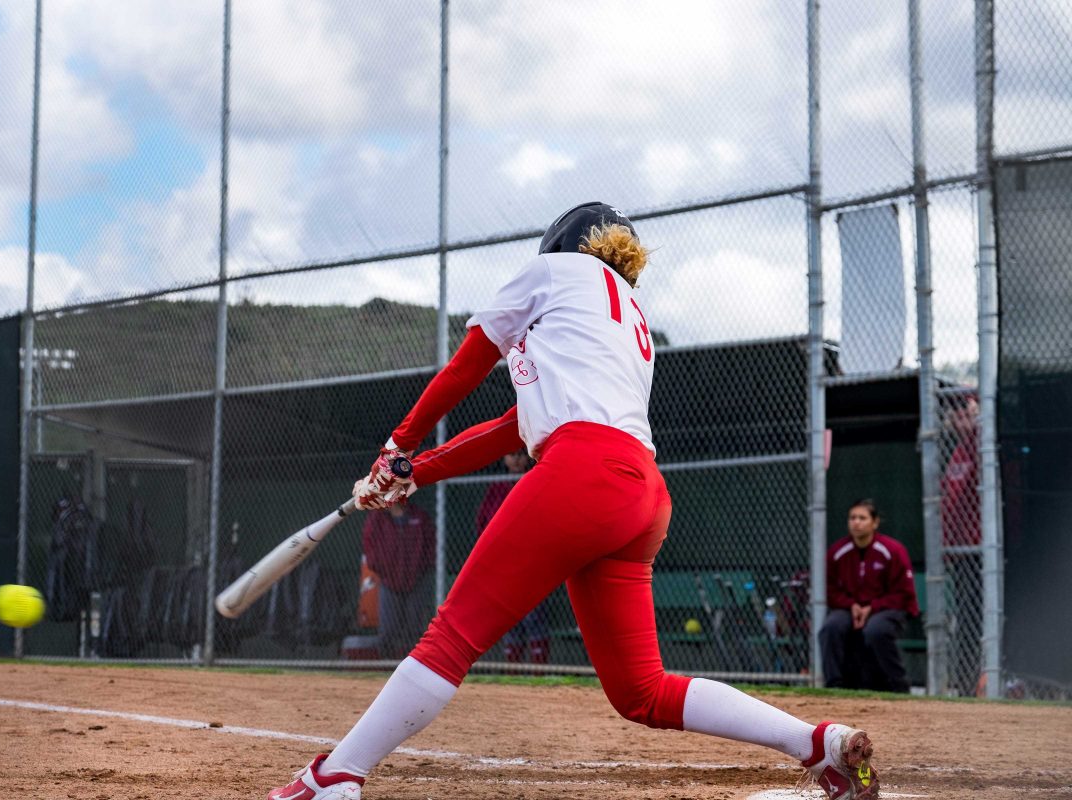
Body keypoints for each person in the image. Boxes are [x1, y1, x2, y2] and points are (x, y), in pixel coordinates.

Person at [268, 202, 879, 800]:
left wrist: (396, 445)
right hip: (641, 494)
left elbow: (464, 368)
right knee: (642, 690)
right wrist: (411, 473)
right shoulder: (630, 320)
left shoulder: (553, 273)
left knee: (451, 637)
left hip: (583, 471)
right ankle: (817, 743)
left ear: (561, 244)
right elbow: (513, 426)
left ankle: (336, 776)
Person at [819, 499, 921, 693]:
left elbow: (903, 593)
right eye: (852, 518)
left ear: (874, 523)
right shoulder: (837, 552)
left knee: (876, 630)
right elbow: (830, 591)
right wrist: (851, 605)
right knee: (831, 627)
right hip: (850, 608)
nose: (856, 522)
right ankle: (834, 686)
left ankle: (898, 686)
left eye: (862, 518)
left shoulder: (893, 550)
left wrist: (872, 607)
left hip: (886, 608)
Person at [475, 447, 549, 664]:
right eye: (511, 455)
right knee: (509, 618)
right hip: (504, 562)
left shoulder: (536, 478)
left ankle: (539, 674)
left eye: (519, 455)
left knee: (534, 616)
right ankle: (513, 672)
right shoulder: (497, 487)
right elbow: (482, 522)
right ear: (504, 458)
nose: (516, 460)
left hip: (532, 561)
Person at [940, 394, 982, 695]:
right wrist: (948, 543)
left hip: (985, 550)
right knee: (967, 621)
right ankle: (967, 686)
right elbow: (948, 504)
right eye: (953, 412)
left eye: (963, 409)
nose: (957, 417)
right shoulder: (957, 451)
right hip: (964, 552)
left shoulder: (984, 444)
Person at [360, 502, 436, 659]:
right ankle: (385, 667)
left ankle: (414, 667)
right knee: (388, 630)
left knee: (414, 629)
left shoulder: (419, 516)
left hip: (417, 580)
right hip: (389, 581)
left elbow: (432, 545)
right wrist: (382, 569)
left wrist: (423, 568)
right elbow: (369, 546)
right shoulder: (377, 518)